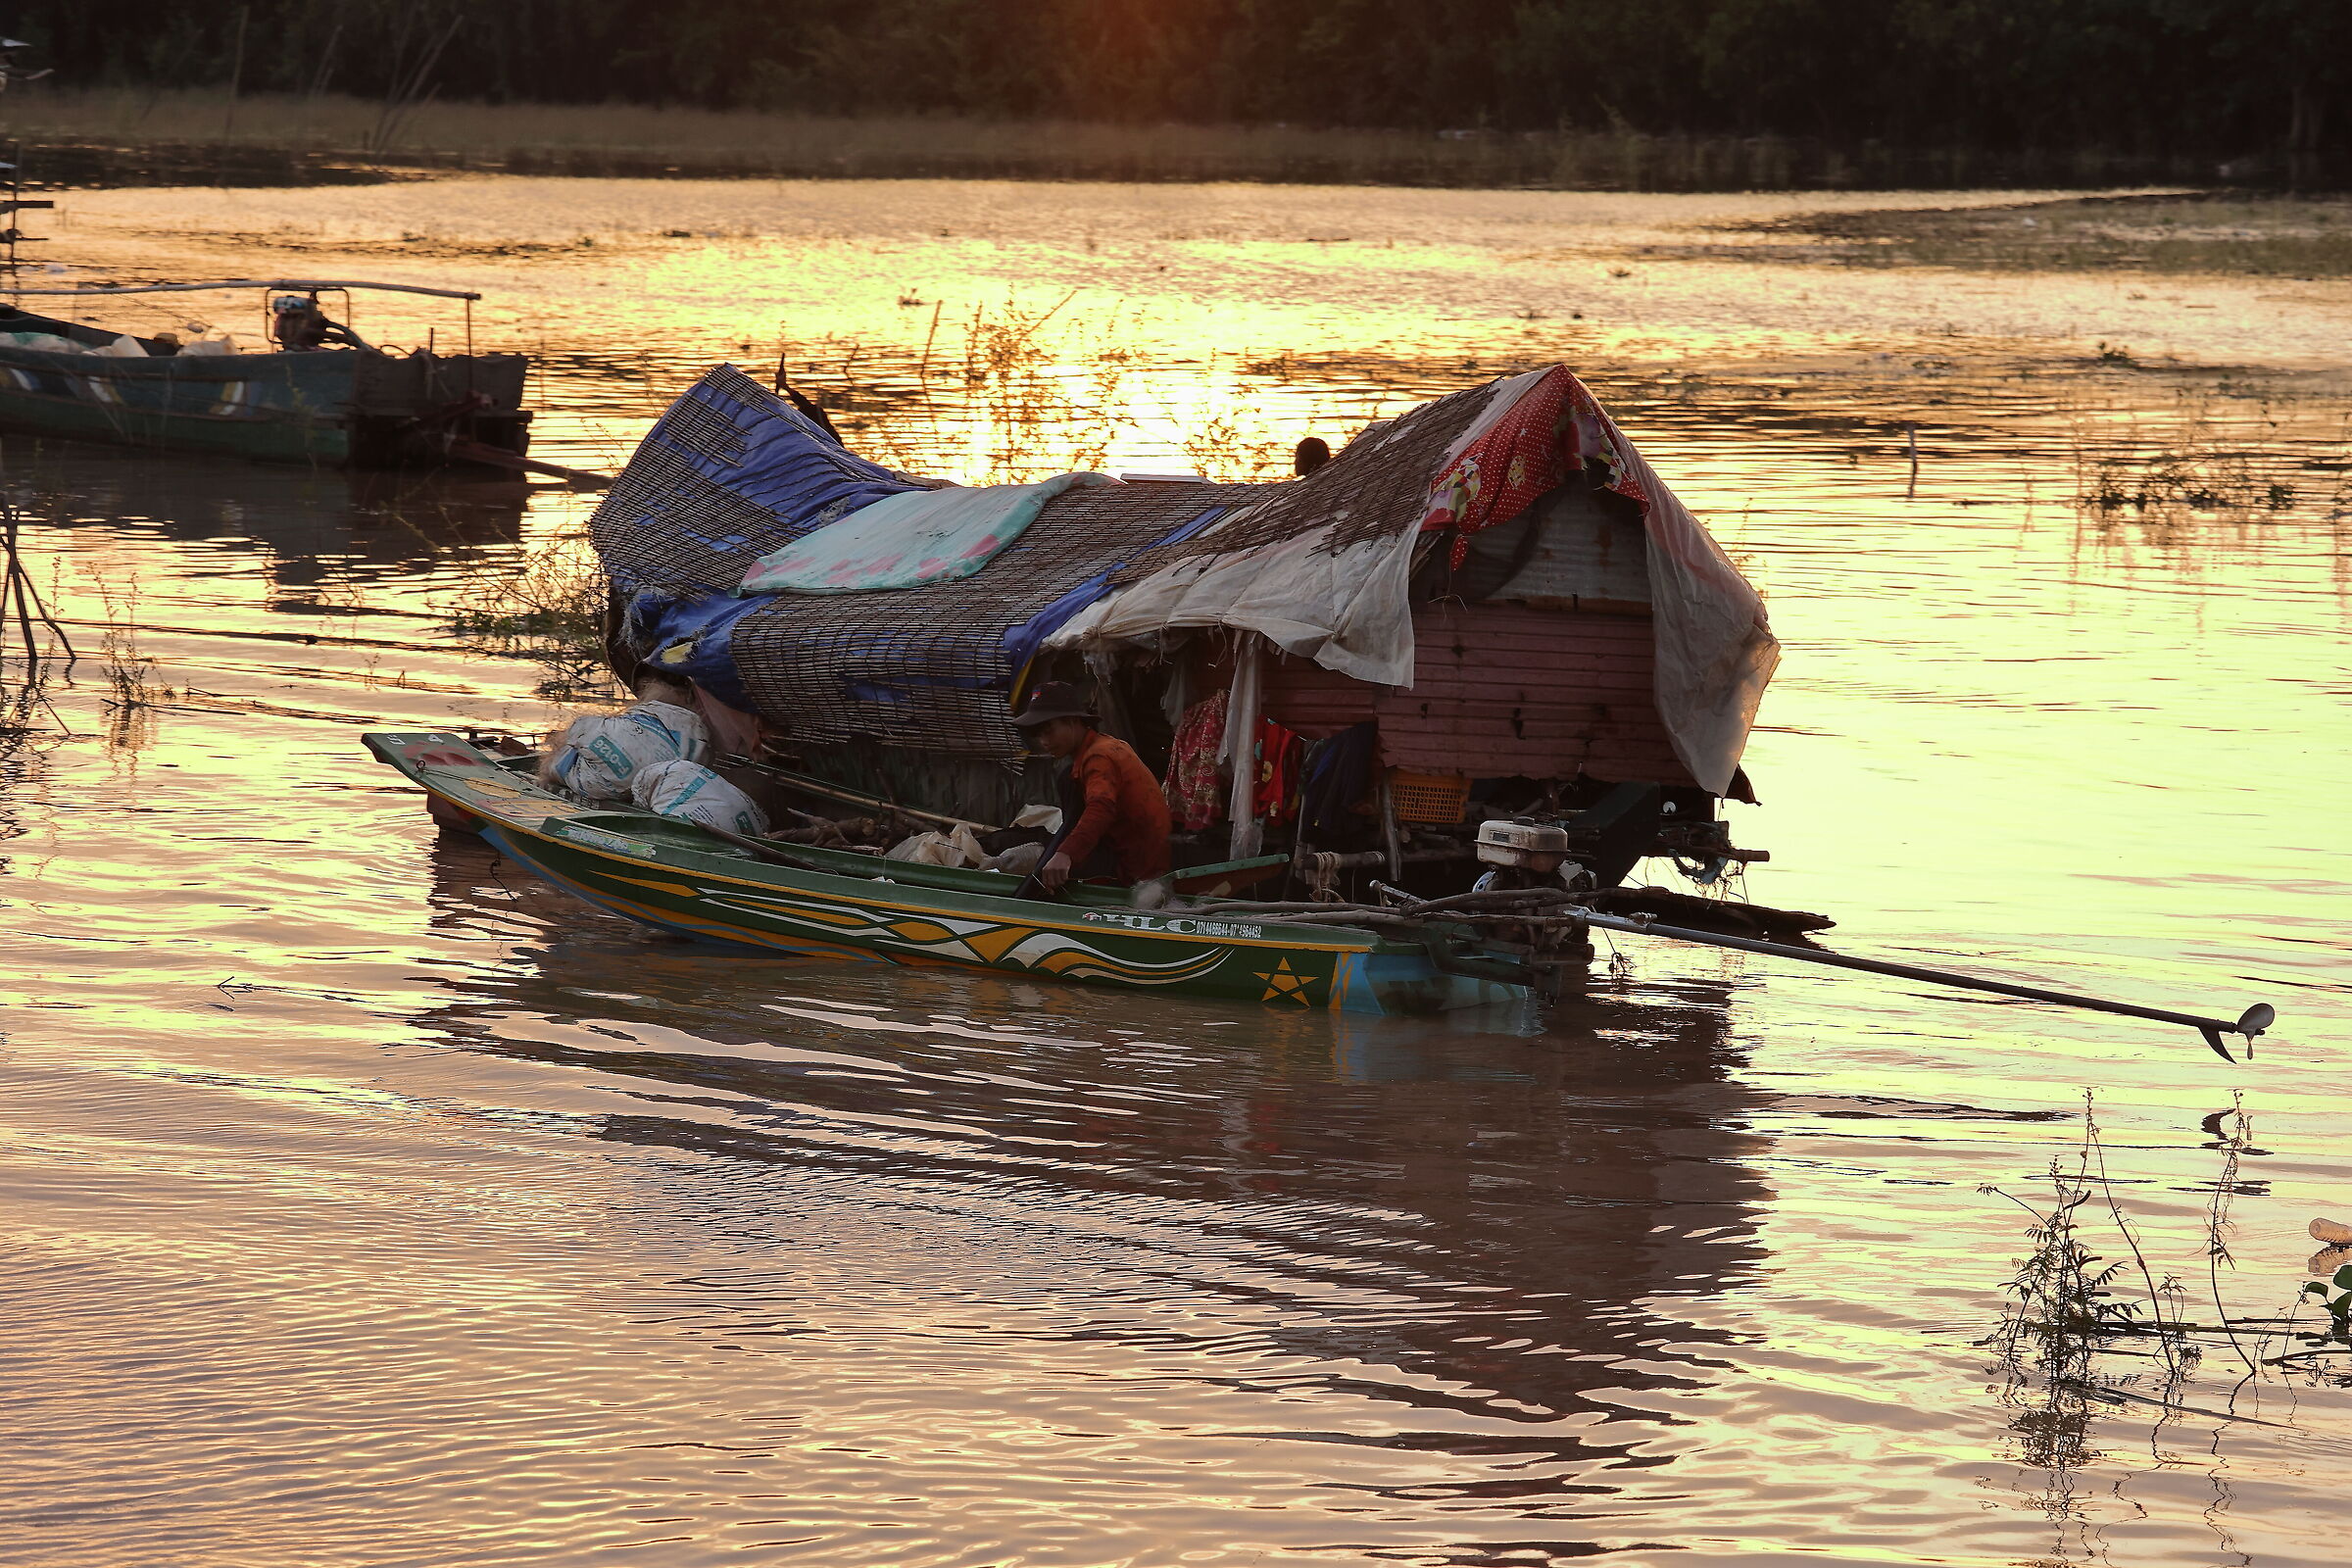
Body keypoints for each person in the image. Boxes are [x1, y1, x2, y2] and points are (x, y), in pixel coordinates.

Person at [1011, 681, 1172, 891]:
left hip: (1136, 865)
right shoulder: (1097, 749)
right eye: (1039, 735)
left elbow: (1101, 807)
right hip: (1125, 852)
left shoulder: (1099, 755)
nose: (1044, 741)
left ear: (1071, 721)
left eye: (1049, 731)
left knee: (1042, 871)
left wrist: (1065, 854)